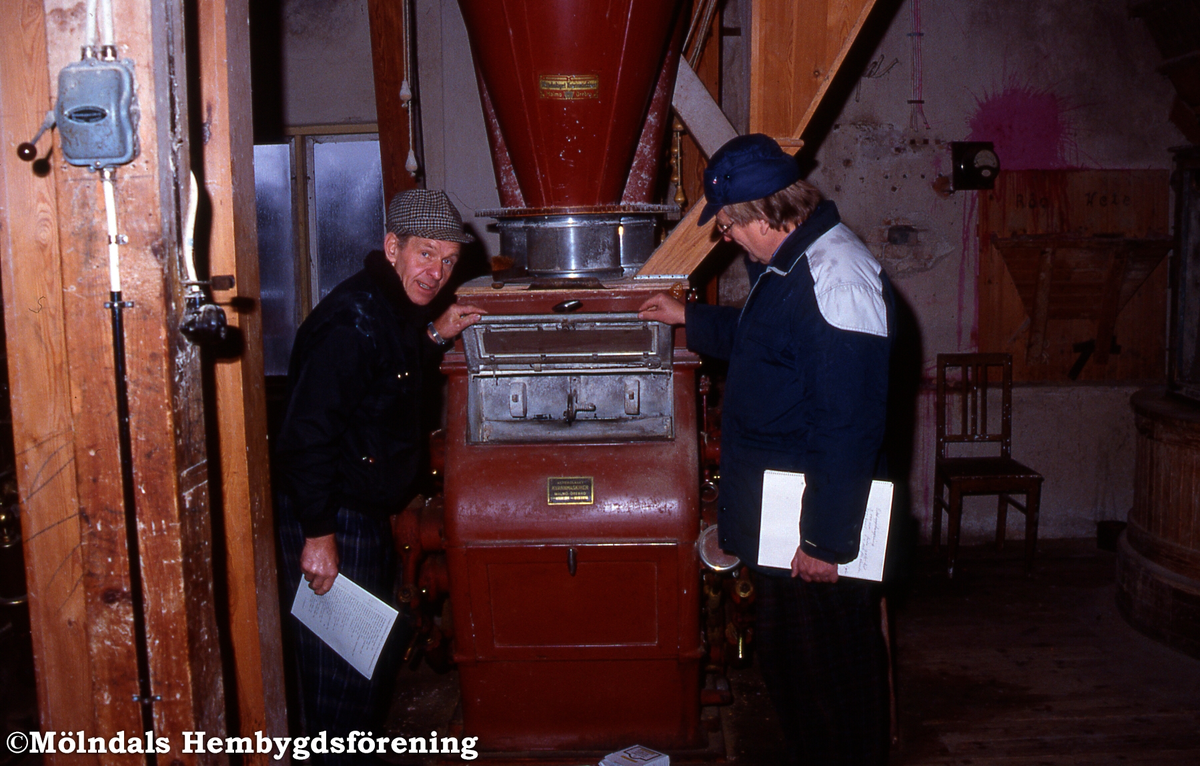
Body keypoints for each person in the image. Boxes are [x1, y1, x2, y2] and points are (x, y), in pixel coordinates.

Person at [638, 134, 893, 765]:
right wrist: (686, 319)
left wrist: (827, 542)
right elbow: (765, 339)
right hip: (787, 517)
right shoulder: (790, 266)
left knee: (831, 678)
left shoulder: (837, 278)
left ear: (763, 213)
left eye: (726, 226)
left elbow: (849, 424)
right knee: (792, 668)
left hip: (814, 528)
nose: (727, 238)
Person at [274, 189, 485, 754]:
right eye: (425, 254)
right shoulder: (352, 321)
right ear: (392, 247)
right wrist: (319, 536)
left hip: (361, 518)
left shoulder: (389, 311)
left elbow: (386, 375)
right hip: (333, 520)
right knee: (337, 690)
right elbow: (306, 436)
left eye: (447, 260)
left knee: (361, 681)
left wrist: (438, 335)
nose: (435, 271)